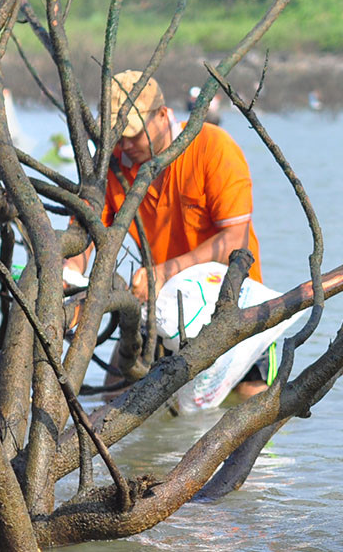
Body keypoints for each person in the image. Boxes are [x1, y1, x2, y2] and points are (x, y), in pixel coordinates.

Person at [63, 70, 268, 399]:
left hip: (232, 302)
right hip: (161, 306)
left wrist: (163, 273)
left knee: (252, 395)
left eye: (132, 134)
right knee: (113, 395)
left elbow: (234, 239)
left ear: (163, 115)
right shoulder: (112, 164)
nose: (124, 144)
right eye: (117, 136)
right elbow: (84, 229)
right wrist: (70, 269)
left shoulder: (213, 147)